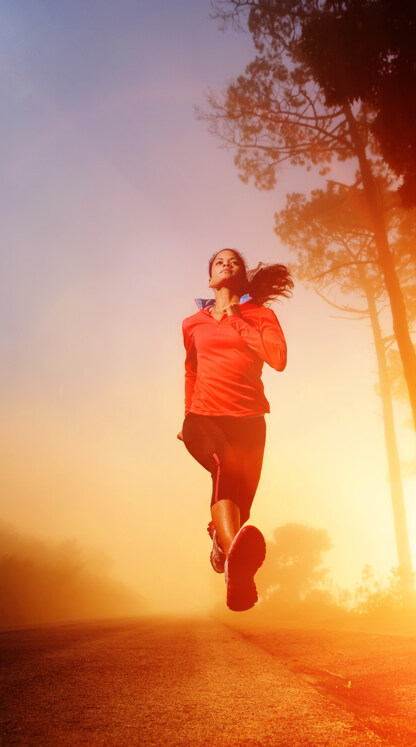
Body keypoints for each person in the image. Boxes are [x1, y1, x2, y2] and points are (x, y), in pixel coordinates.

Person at [178, 248, 292, 611]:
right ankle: (237, 569)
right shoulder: (191, 323)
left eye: (234, 261)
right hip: (203, 418)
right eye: (218, 262)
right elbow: (191, 371)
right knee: (224, 464)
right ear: (210, 279)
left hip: (249, 423)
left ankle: (221, 546)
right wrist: (186, 416)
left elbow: (278, 360)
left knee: (241, 512)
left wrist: (238, 319)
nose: (226, 264)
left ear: (242, 276)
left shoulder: (261, 315)